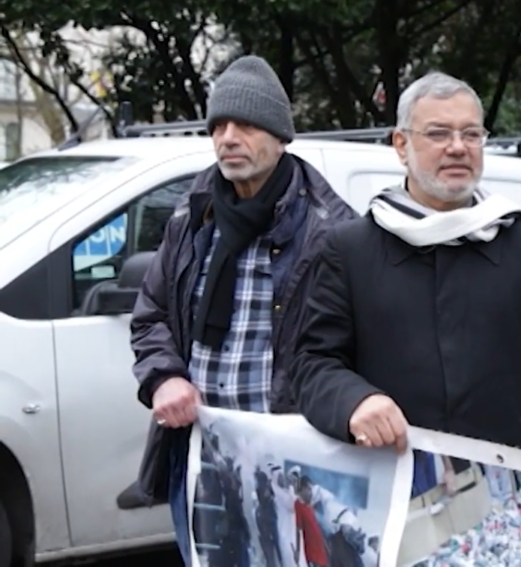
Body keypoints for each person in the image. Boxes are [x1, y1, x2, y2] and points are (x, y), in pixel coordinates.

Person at [289, 71, 521, 464]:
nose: (457, 148)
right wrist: (355, 400)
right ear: (401, 144)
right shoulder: (350, 248)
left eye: (471, 134)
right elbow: (313, 364)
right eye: (438, 133)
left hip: (503, 487)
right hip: (393, 481)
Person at [128, 54, 357, 564]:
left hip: (293, 465)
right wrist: (165, 377)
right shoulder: (192, 217)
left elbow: (354, 348)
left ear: (280, 136)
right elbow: (151, 316)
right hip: (202, 459)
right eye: (219, 125)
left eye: (246, 124)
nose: (228, 137)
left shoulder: (332, 231)